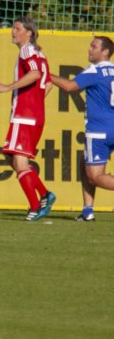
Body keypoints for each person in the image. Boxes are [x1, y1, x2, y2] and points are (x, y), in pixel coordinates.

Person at [0, 17, 56, 221]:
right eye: (13, 28)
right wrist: (35, 102)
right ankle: (45, 195)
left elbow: (35, 74)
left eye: (17, 28)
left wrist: (9, 87)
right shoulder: (40, 53)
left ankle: (35, 206)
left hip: (25, 116)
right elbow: (48, 84)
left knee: (20, 163)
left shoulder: (26, 51)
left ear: (28, 33)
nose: (13, 31)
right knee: (11, 157)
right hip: (36, 115)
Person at [49, 36, 114, 222]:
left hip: (99, 131)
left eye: (94, 46)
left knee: (95, 177)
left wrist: (45, 74)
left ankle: (88, 211)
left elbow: (70, 87)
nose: (89, 49)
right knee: (83, 162)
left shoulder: (94, 70)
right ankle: (87, 211)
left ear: (105, 52)